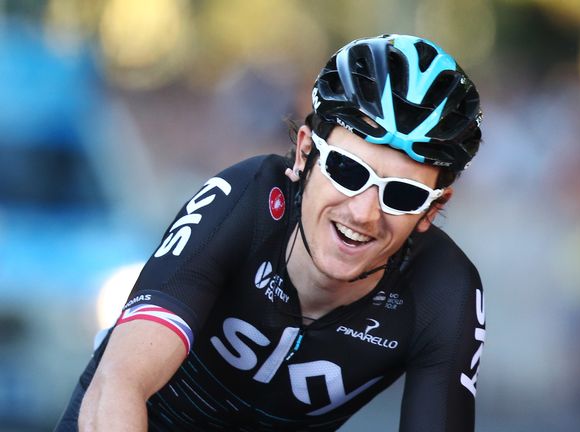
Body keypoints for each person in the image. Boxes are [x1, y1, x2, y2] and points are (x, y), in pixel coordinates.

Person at [56, 33, 486, 432]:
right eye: (347, 171)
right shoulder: (246, 201)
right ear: (304, 154)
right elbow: (118, 385)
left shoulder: (444, 290)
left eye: (402, 195)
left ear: (432, 209)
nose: (364, 213)